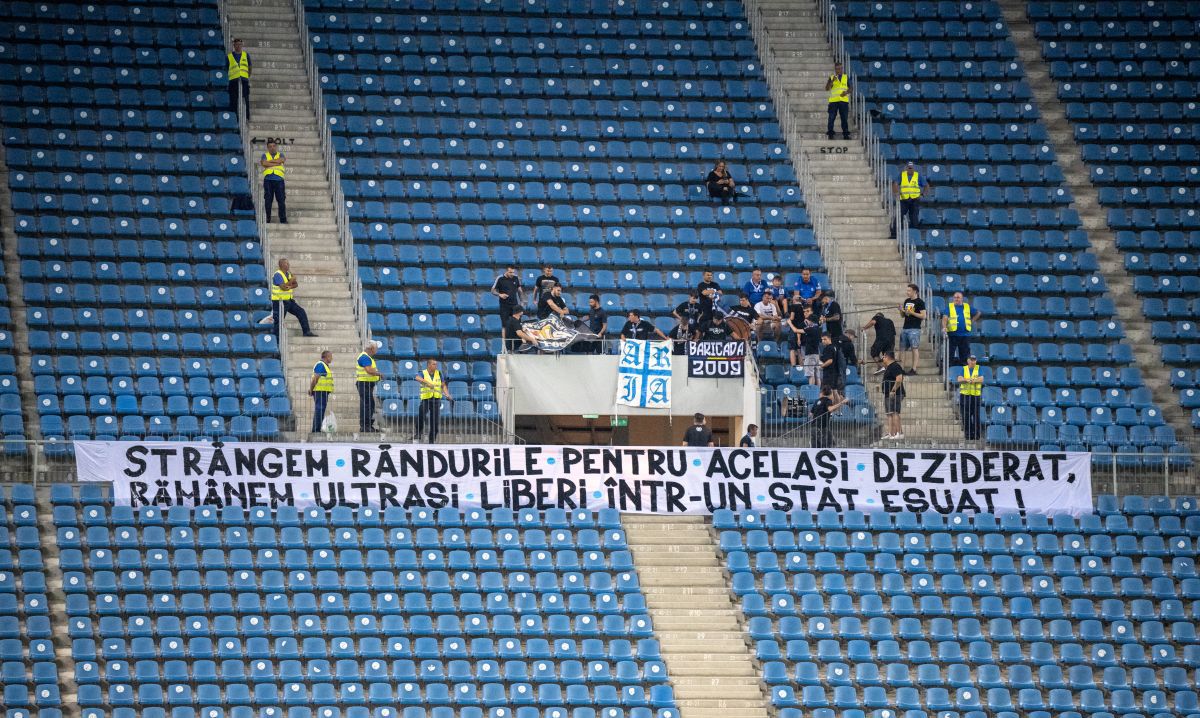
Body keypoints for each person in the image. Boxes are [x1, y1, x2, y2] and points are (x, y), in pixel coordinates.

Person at [269, 257, 316, 337]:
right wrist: (291, 281)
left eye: (288, 263)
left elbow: (296, 284)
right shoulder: (278, 274)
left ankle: (306, 332)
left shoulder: (288, 273)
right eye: (286, 263)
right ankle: (276, 340)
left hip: (289, 300)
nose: (288, 265)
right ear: (282, 265)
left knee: (301, 312)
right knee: (278, 321)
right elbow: (283, 287)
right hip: (279, 302)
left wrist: (290, 286)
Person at [414, 359, 451, 444]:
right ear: (429, 365)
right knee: (421, 415)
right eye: (434, 364)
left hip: (436, 400)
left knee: (435, 421)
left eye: (436, 364)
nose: (436, 366)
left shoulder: (439, 373)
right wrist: (427, 383)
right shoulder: (423, 372)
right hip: (426, 399)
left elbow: (443, 385)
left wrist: (447, 394)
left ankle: (432, 439)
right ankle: (418, 433)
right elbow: (417, 378)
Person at [941, 291, 979, 367]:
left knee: (965, 355)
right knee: (950, 354)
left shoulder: (967, 306)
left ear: (962, 299)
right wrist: (944, 327)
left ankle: (964, 372)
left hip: (965, 335)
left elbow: (978, 313)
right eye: (954, 297)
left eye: (958, 297)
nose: (956, 299)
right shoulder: (950, 307)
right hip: (952, 334)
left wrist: (972, 321)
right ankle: (949, 371)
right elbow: (944, 318)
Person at [900, 283, 927, 375]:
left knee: (914, 348)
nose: (907, 292)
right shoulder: (907, 301)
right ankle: (901, 368)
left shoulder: (920, 302)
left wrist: (912, 312)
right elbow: (903, 315)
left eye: (909, 290)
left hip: (915, 329)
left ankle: (914, 369)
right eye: (907, 290)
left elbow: (923, 316)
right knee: (902, 349)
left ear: (915, 291)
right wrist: (901, 310)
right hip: (905, 327)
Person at [956, 354, 983, 441]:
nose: (973, 362)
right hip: (965, 396)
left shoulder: (978, 368)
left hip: (975, 396)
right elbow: (959, 379)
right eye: (971, 360)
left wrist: (972, 380)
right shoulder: (964, 369)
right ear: (968, 361)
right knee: (965, 416)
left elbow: (981, 379)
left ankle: (976, 435)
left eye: (974, 360)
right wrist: (966, 380)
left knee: (976, 416)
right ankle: (968, 435)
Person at [356, 341, 381, 433]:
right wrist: (379, 373)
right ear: (372, 348)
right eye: (376, 348)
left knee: (369, 405)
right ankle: (365, 427)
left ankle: (368, 426)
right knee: (367, 405)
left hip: (367, 384)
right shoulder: (364, 357)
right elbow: (369, 370)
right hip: (364, 384)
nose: (377, 350)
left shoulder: (367, 357)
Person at [880, 351, 906, 440]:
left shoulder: (895, 366)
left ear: (887, 357)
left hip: (895, 394)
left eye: (883, 356)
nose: (882, 358)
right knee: (889, 414)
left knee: (895, 413)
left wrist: (893, 390)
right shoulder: (888, 367)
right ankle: (891, 433)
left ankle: (899, 433)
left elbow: (899, 378)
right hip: (888, 394)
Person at [894, 161, 926, 230]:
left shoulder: (918, 176)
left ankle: (914, 232)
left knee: (914, 217)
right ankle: (895, 232)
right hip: (904, 199)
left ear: (914, 168)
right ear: (906, 168)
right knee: (899, 216)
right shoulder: (902, 175)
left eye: (911, 168)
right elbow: (895, 184)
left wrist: (923, 194)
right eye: (909, 168)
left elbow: (926, 185)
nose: (910, 169)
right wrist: (897, 192)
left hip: (914, 200)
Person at [260, 140, 287, 223]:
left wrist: (269, 162)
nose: (272, 148)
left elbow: (281, 160)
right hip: (268, 180)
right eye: (270, 146)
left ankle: (283, 219)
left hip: (279, 180)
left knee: (281, 200)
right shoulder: (264, 155)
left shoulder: (281, 154)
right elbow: (264, 163)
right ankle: (267, 219)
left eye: (273, 146)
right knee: (268, 200)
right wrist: (276, 163)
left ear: (276, 147)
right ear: (268, 148)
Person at [309, 350, 333, 435]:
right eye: (330, 356)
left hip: (323, 391)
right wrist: (311, 389)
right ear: (326, 357)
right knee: (319, 410)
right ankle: (316, 430)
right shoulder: (320, 365)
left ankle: (317, 429)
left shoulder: (325, 365)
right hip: (320, 391)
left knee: (321, 410)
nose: (332, 358)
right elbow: (316, 378)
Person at [825, 61, 851, 140]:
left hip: (843, 101)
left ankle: (845, 134)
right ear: (835, 69)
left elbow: (851, 88)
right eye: (837, 69)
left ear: (842, 69)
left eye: (840, 68)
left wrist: (846, 92)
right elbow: (827, 88)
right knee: (831, 117)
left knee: (844, 118)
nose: (839, 70)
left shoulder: (846, 77)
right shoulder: (832, 77)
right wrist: (832, 81)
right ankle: (830, 133)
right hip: (833, 101)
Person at [226, 38, 251, 120]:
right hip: (233, 81)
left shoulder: (246, 55)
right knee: (233, 100)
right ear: (234, 45)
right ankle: (234, 118)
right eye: (236, 44)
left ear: (242, 45)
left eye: (240, 44)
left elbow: (249, 67)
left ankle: (246, 117)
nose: (238, 46)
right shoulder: (229, 56)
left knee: (246, 99)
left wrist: (247, 76)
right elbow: (226, 68)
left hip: (244, 80)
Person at [818, 333, 845, 403]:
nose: (823, 341)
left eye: (825, 339)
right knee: (835, 391)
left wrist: (822, 366)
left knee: (829, 392)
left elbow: (830, 361)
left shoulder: (828, 348)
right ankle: (838, 410)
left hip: (829, 373)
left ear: (829, 339)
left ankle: (832, 409)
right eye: (822, 340)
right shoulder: (834, 347)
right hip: (835, 373)